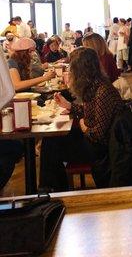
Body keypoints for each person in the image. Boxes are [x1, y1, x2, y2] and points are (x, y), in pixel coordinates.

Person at [39, 47, 124, 191]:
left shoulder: (103, 91)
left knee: (51, 146)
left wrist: (82, 124)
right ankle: (53, 189)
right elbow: (91, 111)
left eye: (71, 69)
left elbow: (97, 135)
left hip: (101, 149)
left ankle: (52, 190)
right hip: (94, 141)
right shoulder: (95, 85)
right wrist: (70, 106)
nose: (69, 72)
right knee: (50, 140)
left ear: (80, 70)